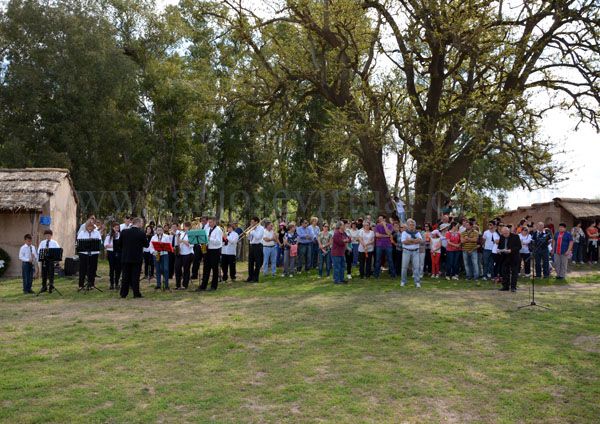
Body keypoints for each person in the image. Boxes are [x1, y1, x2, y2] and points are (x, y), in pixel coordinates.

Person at [119, 217, 146, 298]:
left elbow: (119, 244)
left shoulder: (124, 232)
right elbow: (146, 244)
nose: (142, 224)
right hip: (137, 258)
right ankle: (136, 293)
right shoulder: (141, 233)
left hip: (126, 257)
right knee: (135, 276)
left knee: (125, 276)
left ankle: (123, 294)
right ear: (138, 223)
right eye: (141, 223)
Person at [198, 217, 223, 291]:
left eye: (211, 222)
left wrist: (209, 239)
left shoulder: (218, 230)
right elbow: (204, 238)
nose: (209, 223)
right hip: (207, 250)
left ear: (215, 222)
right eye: (209, 222)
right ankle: (203, 286)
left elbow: (218, 241)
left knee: (214, 268)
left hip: (215, 250)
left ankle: (214, 286)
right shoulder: (207, 229)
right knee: (206, 268)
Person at [77, 221, 102, 290]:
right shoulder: (82, 233)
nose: (90, 228)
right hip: (84, 254)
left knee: (93, 269)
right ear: (86, 227)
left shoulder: (97, 233)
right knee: (82, 269)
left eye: (91, 226)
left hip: (94, 253)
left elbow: (100, 242)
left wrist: (93, 240)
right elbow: (78, 242)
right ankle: (81, 285)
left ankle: (91, 284)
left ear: (93, 227)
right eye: (88, 226)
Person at [497, 226, 522, 292]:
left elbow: (519, 246)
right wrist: (499, 250)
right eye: (503, 233)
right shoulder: (502, 237)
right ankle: (505, 286)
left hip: (514, 257)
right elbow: (500, 246)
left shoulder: (515, 236)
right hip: (505, 257)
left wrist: (511, 250)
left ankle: (513, 287)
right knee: (504, 272)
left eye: (506, 233)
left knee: (514, 272)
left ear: (509, 231)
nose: (505, 235)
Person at [400, 219, 423, 287]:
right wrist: (415, 241)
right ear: (408, 226)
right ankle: (403, 281)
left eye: (413, 225)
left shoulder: (417, 233)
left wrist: (410, 240)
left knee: (416, 267)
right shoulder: (404, 233)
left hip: (415, 251)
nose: (412, 226)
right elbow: (404, 242)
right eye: (410, 225)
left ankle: (417, 282)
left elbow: (420, 241)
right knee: (404, 267)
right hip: (406, 251)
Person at [149, 225, 171, 290]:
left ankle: (166, 285)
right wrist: (153, 252)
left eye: (161, 230)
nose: (159, 231)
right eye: (158, 230)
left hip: (164, 254)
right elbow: (150, 246)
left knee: (166, 269)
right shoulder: (153, 237)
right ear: (156, 231)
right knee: (158, 269)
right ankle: (158, 284)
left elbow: (169, 245)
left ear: (163, 230)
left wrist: (163, 246)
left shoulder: (166, 236)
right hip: (156, 254)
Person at [174, 222, 194, 289]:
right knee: (177, 268)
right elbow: (178, 242)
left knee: (186, 270)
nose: (183, 228)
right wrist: (178, 241)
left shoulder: (191, 234)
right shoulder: (181, 233)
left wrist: (182, 241)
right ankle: (178, 285)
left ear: (188, 227)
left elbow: (191, 245)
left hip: (188, 254)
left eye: (184, 226)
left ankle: (185, 285)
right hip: (180, 253)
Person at [104, 223, 122, 290]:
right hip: (111, 253)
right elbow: (105, 245)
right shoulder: (109, 235)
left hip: (119, 253)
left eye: (118, 228)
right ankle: (111, 284)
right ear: (113, 228)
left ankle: (117, 283)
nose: (117, 229)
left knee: (118, 268)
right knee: (112, 268)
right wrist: (114, 245)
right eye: (115, 228)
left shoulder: (121, 235)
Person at [247, 217, 264, 283]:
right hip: (252, 246)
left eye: (252, 222)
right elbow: (250, 238)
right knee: (250, 262)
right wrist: (249, 234)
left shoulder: (261, 228)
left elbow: (258, 237)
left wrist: (252, 231)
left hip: (258, 246)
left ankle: (255, 278)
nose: (251, 223)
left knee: (258, 263)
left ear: (256, 222)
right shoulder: (252, 229)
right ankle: (250, 277)